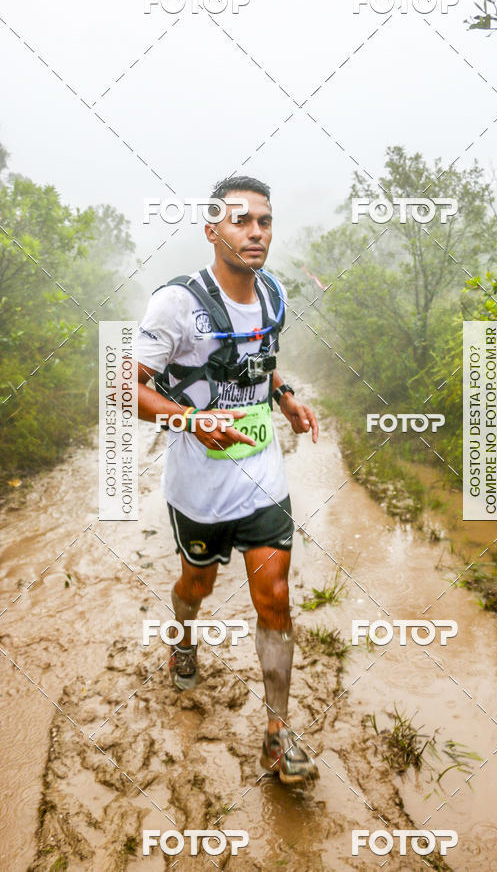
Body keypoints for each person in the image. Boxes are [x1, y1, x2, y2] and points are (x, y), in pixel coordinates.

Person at [135, 176, 320, 784]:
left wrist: (285, 398)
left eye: (264, 221)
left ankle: (277, 734)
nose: (256, 232)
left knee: (275, 598)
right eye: (241, 221)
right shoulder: (176, 303)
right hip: (198, 489)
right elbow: (123, 388)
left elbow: (259, 363)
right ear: (212, 230)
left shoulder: (273, 294)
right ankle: (183, 637)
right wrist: (191, 420)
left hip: (263, 478)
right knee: (198, 584)